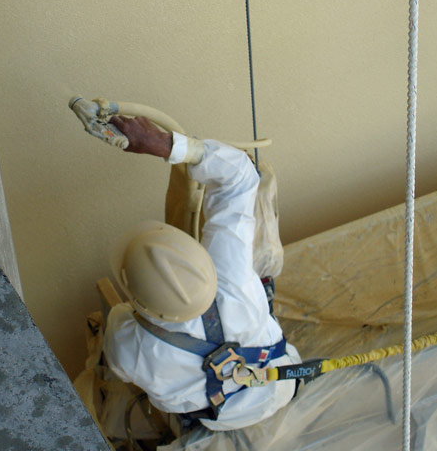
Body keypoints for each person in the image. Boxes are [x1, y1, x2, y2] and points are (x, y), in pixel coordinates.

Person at [103, 115, 301, 431]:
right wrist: (164, 144)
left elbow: (120, 359)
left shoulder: (127, 339)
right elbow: (240, 175)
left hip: (219, 419)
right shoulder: (232, 274)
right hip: (282, 383)